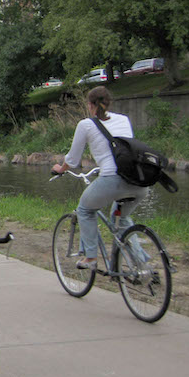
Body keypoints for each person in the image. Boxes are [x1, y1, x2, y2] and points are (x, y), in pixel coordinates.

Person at [51, 86, 147, 270]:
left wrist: (60, 169)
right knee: (122, 218)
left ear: (90, 105)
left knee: (85, 210)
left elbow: (72, 159)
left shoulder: (86, 125)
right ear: (109, 102)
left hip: (113, 179)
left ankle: (90, 258)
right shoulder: (124, 120)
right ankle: (141, 265)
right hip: (139, 180)